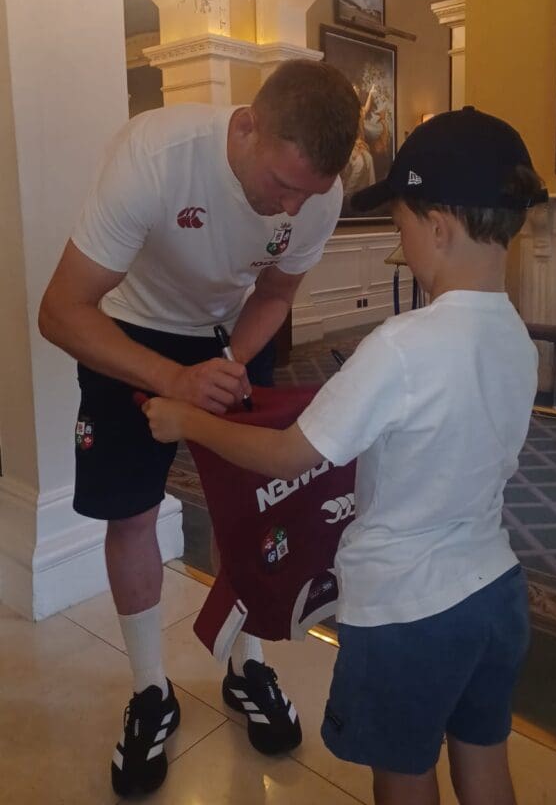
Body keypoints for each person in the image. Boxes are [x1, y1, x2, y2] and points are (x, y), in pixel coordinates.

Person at [141, 106, 548, 805]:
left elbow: (287, 456)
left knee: (404, 776)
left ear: (439, 228)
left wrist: (188, 421)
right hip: (496, 594)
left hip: (408, 612)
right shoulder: (517, 337)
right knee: (483, 762)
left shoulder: (401, 346)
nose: (401, 242)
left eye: (401, 225)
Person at [38, 59, 360, 797]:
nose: (289, 207)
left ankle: (249, 665)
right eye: (281, 184)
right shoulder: (154, 157)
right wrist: (173, 380)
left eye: (307, 194)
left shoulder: (318, 196)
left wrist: (231, 363)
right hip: (126, 332)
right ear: (246, 127)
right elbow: (60, 311)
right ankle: (150, 689)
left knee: (257, 506)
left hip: (227, 335)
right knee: (132, 514)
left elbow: (275, 294)